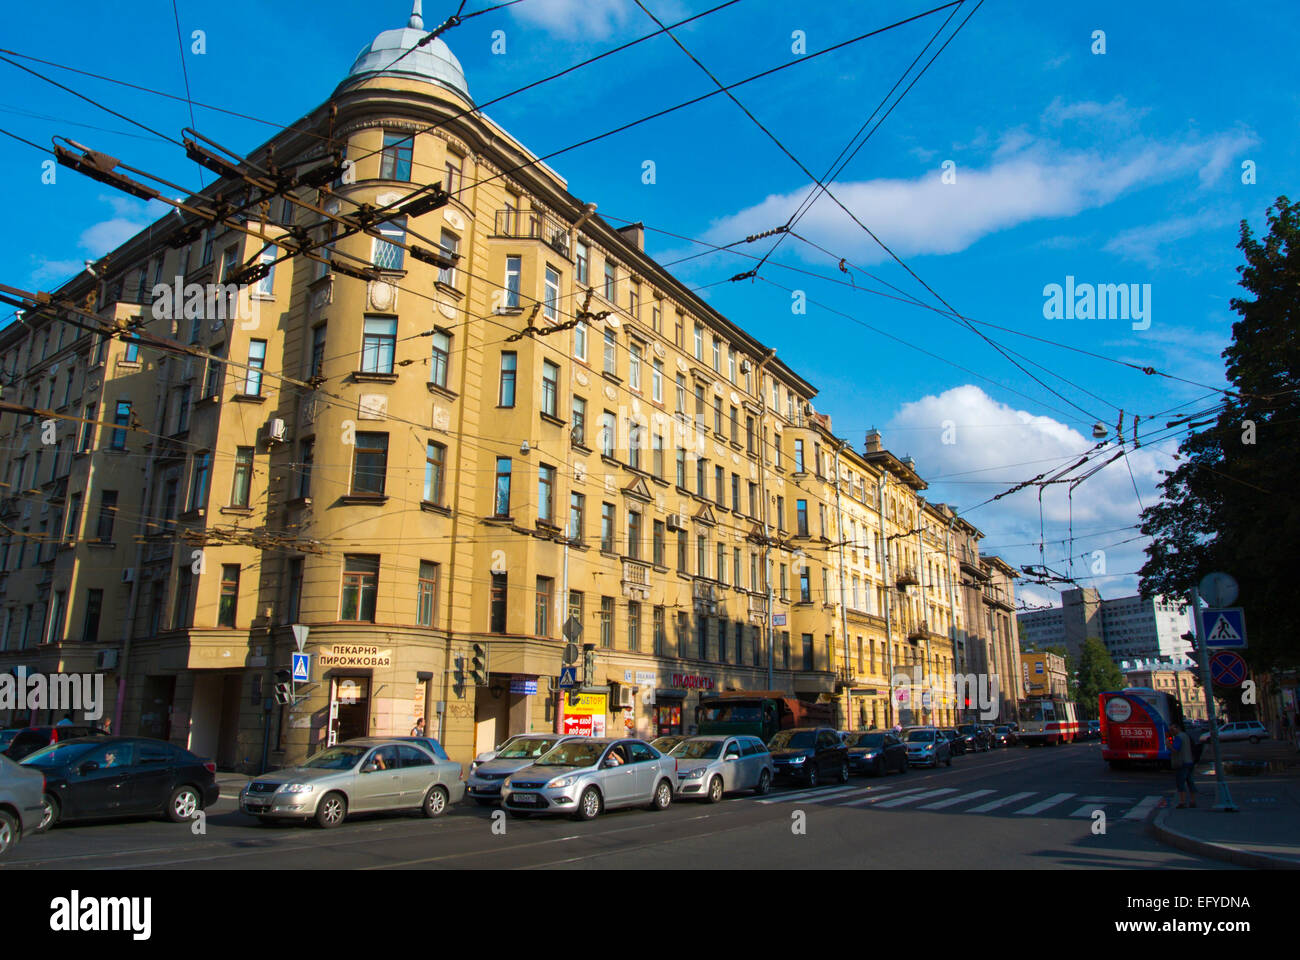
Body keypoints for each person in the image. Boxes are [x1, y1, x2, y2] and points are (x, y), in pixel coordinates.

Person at [1171, 722, 1196, 808]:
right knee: (1190, 782)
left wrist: (1168, 745)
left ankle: (1182, 802)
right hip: (1189, 761)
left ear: (1177, 728)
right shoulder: (1186, 736)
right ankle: (1193, 801)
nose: (1171, 731)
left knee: (1180, 783)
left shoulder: (1178, 737)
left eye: (1173, 729)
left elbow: (1175, 750)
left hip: (1181, 763)